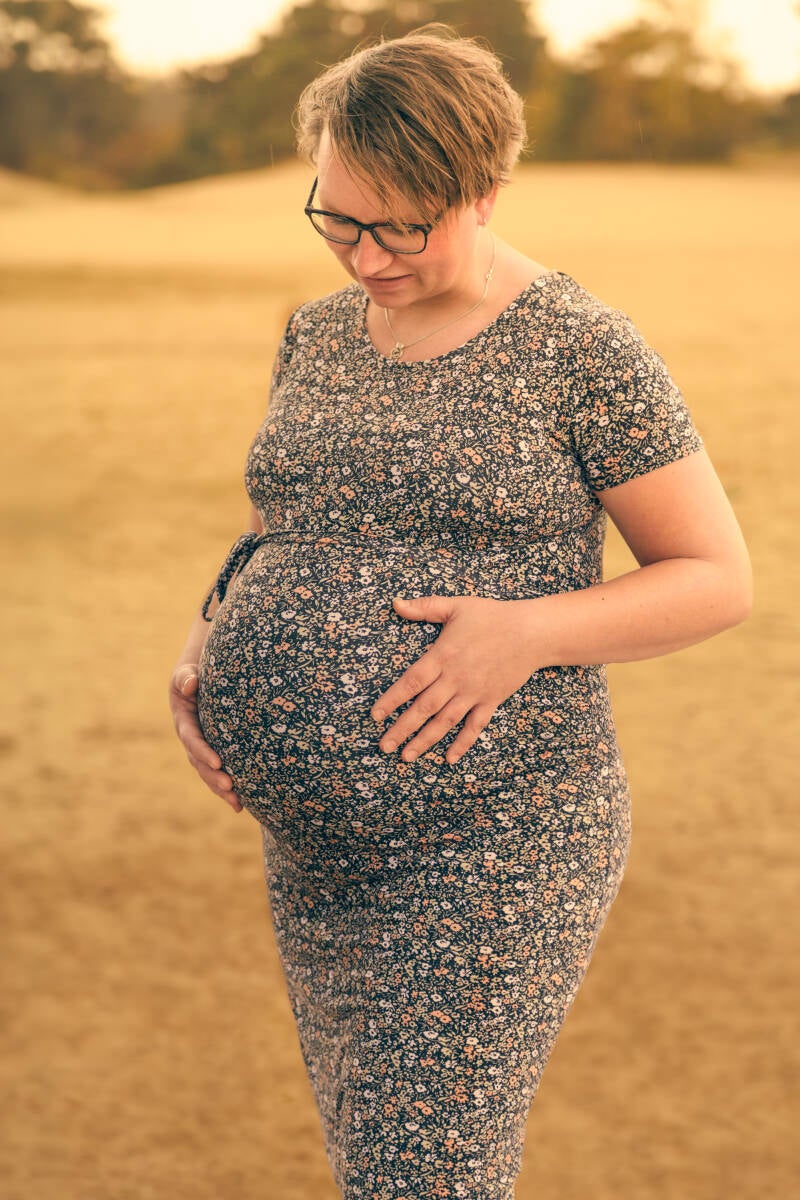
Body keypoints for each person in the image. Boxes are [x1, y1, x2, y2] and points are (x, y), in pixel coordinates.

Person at [168, 24, 752, 1200]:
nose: (365, 256)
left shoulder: (580, 349)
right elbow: (285, 520)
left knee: (420, 1169)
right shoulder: (316, 332)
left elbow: (714, 575)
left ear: (483, 189)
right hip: (318, 854)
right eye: (337, 219)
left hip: (495, 835)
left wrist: (527, 631)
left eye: (400, 227)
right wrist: (211, 642)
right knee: (375, 1162)